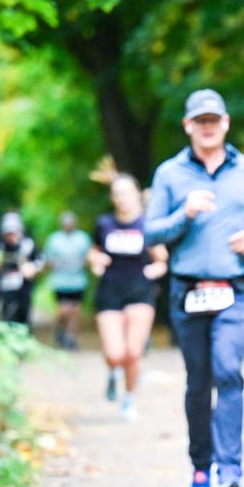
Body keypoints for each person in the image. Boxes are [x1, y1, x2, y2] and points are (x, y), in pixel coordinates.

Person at [144, 89, 244, 487]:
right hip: (187, 291)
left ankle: (231, 472)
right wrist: (183, 213)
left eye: (214, 120)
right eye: (199, 121)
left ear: (225, 123)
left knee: (228, 372)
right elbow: (151, 232)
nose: (207, 127)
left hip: (235, 290)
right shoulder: (170, 174)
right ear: (188, 126)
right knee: (198, 382)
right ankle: (201, 468)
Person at [88, 172, 168, 422]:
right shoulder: (104, 224)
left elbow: (162, 259)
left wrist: (156, 269)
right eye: (118, 194)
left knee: (133, 352)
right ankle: (113, 373)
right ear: (113, 198)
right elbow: (93, 251)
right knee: (114, 354)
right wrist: (95, 261)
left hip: (139, 292)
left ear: (136, 194)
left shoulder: (148, 226)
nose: (123, 198)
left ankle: (129, 398)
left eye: (127, 193)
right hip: (110, 291)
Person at [0, 211, 44, 330]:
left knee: (23, 313)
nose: (11, 236)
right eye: (8, 233)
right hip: (3, 286)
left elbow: (40, 260)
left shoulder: (28, 245)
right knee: (2, 312)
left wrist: (32, 268)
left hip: (23, 287)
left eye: (13, 233)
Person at [45, 211, 92, 349]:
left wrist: (84, 263)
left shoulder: (83, 238)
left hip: (78, 281)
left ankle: (71, 337)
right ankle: (60, 330)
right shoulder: (54, 239)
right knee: (64, 310)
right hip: (60, 282)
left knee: (75, 311)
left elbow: (89, 257)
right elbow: (48, 260)